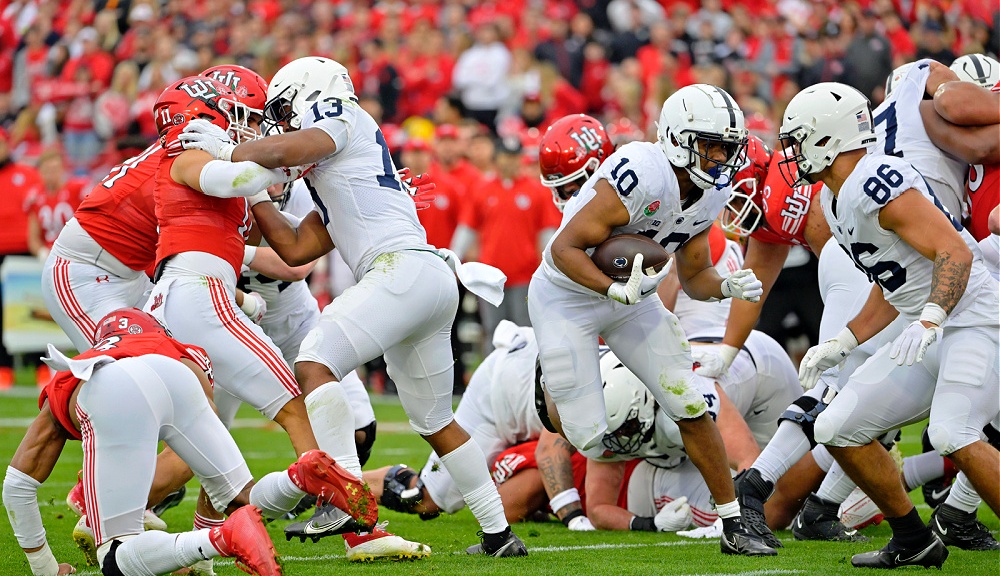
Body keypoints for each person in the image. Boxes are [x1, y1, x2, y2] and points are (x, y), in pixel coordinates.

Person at [178, 56, 524, 557]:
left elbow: (292, 145)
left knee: (315, 361)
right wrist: (255, 195)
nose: (283, 120)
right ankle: (499, 534)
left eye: (284, 109)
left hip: (402, 271)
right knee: (435, 421)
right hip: (423, 281)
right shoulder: (339, 170)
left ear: (309, 93)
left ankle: (347, 501)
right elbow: (296, 248)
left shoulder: (341, 116)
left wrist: (228, 151)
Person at [526, 83, 774, 556]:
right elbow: (561, 251)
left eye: (729, 147)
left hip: (632, 297)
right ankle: (551, 386)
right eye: (712, 145)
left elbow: (695, 273)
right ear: (679, 139)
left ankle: (734, 523)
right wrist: (612, 288)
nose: (722, 158)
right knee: (587, 435)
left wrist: (726, 286)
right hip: (567, 294)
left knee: (690, 398)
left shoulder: (711, 189)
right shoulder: (640, 172)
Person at [779, 81, 999, 568]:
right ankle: (913, 540)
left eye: (797, 140)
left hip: (975, 319)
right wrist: (844, 340)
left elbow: (955, 252)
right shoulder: (835, 199)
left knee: (951, 432)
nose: (791, 153)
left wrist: (931, 317)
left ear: (827, 139)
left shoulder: (875, 180)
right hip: (928, 324)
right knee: (835, 427)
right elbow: (890, 279)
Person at [2, 309, 368, 576]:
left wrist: (45, 568)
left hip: (110, 384)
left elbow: (16, 488)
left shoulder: (82, 364)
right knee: (242, 498)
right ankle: (300, 476)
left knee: (115, 556)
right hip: (179, 378)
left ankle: (220, 540)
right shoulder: (182, 352)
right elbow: (203, 466)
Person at [450, 137, 561, 350]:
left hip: (525, 274)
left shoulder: (536, 191)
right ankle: (493, 379)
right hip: (490, 274)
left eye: (514, 157)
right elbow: (467, 229)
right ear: (497, 158)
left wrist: (552, 266)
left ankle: (525, 377)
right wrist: (455, 258)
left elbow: (547, 233)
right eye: (505, 156)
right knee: (493, 329)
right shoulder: (481, 188)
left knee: (525, 330)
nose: (509, 162)